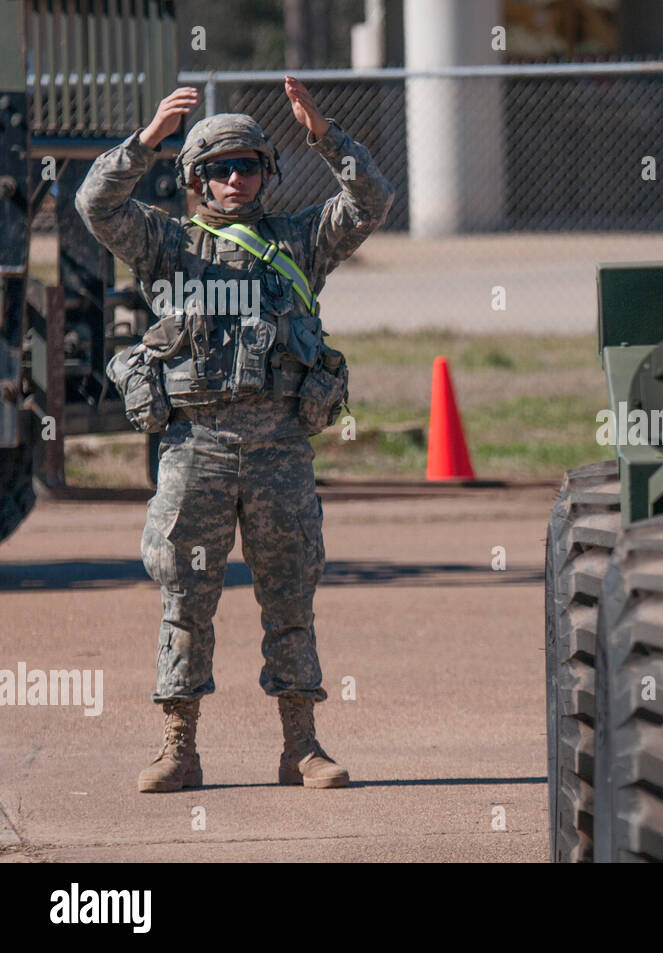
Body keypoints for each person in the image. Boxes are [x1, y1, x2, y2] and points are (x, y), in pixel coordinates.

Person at [76, 78, 394, 792]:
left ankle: (302, 747)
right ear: (194, 178)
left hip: (282, 444)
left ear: (265, 172)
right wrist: (147, 140)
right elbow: (94, 204)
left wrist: (325, 135)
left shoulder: (299, 241)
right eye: (218, 168)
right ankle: (178, 748)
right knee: (185, 599)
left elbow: (371, 201)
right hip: (197, 446)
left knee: (290, 594)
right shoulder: (164, 243)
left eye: (247, 165)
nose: (234, 178)